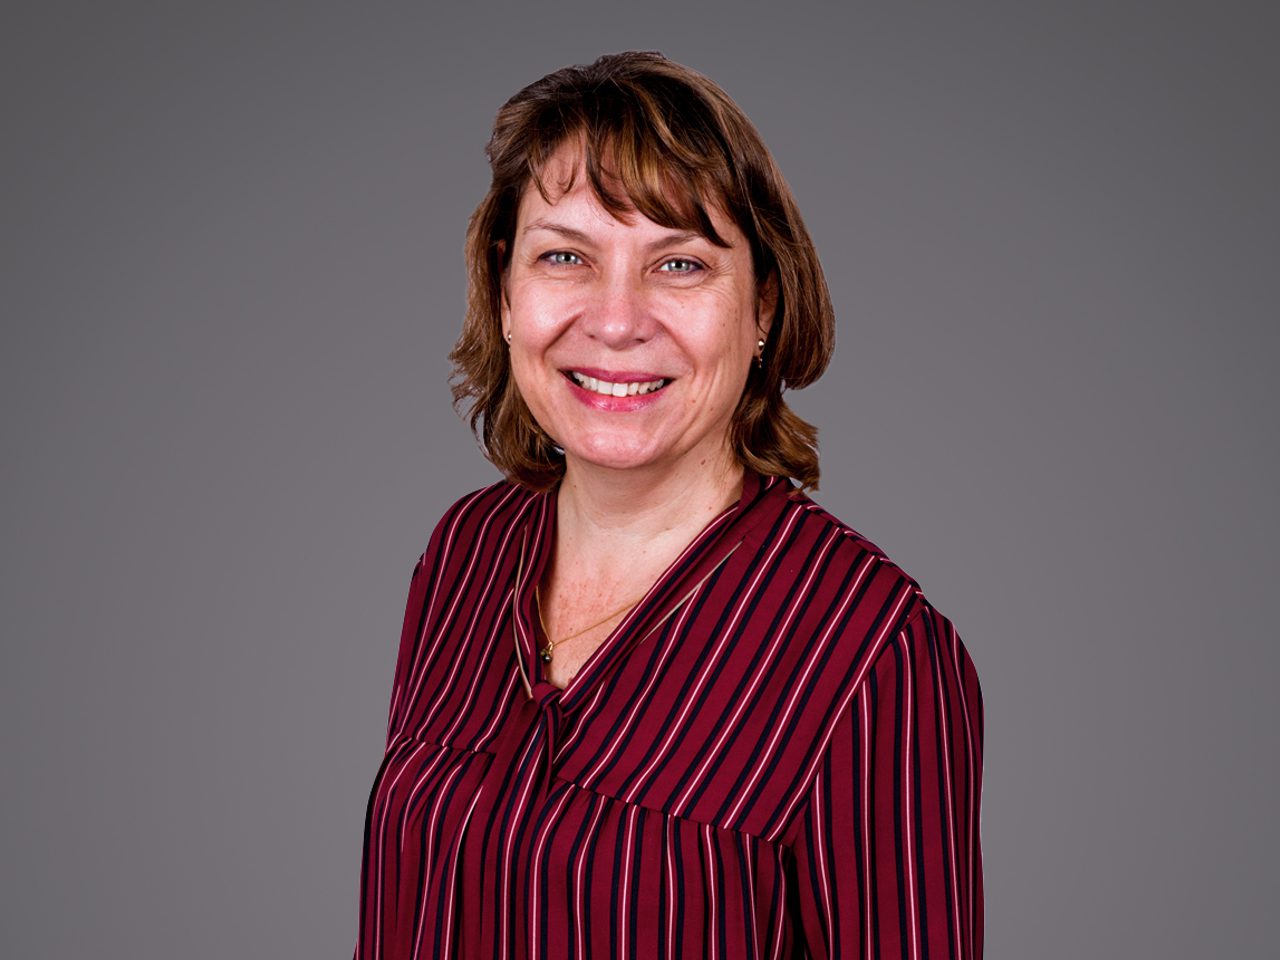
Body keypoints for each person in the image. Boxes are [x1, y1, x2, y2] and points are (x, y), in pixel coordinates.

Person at [354, 51, 983, 959]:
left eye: (679, 264)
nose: (616, 320)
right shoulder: (464, 553)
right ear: (503, 289)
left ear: (762, 302)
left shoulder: (874, 652)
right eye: (565, 255)